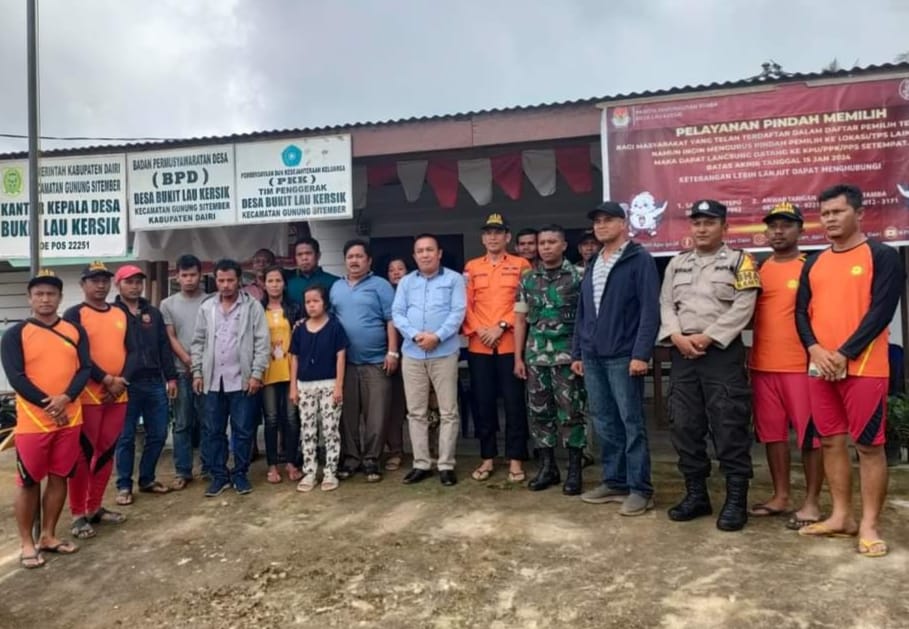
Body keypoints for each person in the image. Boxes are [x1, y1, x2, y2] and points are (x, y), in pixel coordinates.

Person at [795, 184, 904, 558]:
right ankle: (841, 516)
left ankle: (870, 525)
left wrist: (845, 353)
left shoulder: (882, 255)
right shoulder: (814, 262)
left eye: (837, 212)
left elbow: (881, 311)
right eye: (824, 214)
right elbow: (800, 313)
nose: (830, 220)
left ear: (859, 213)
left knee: (869, 447)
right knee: (829, 440)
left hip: (865, 367)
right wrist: (815, 349)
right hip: (820, 366)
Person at [658, 200, 759, 532]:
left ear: (724, 227)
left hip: (721, 353)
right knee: (684, 425)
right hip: (683, 353)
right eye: (697, 223)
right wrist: (675, 335)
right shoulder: (677, 263)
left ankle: (735, 501)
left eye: (709, 223)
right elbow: (666, 303)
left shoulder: (740, 262)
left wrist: (708, 337)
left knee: (729, 425)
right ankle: (696, 495)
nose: (701, 229)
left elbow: (744, 306)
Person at [572, 203, 660, 515]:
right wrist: (578, 352)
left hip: (624, 356)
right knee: (604, 422)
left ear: (623, 224)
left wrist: (641, 354)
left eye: (608, 220)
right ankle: (615, 481)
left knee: (631, 423)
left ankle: (640, 488)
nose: (601, 225)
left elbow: (651, 311)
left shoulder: (639, 259)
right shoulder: (594, 261)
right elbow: (583, 311)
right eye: (597, 221)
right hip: (593, 356)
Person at [1, 270, 91, 568]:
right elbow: (16, 376)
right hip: (33, 422)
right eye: (39, 294)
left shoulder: (75, 330)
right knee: (27, 481)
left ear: (60, 298)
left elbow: (84, 369)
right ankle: (27, 542)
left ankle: (48, 536)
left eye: (51, 294)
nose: (45, 299)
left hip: (70, 416)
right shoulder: (15, 334)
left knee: (60, 476)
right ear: (30, 298)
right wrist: (49, 404)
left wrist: (65, 398)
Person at [747, 202, 824, 529]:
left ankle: (811, 502)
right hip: (763, 366)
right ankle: (780, 496)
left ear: (800, 230)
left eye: (786, 225)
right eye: (773, 226)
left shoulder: (812, 266)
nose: (778, 231)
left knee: (810, 438)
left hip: (801, 367)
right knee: (772, 435)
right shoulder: (758, 269)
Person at [63, 261, 138, 539]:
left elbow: (133, 351)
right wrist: (106, 379)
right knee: (83, 455)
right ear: (83, 284)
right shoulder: (75, 314)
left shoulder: (119, 312)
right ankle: (78, 513)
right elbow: (77, 355)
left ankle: (94, 506)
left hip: (118, 395)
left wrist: (121, 383)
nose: (100, 285)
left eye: (104, 280)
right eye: (94, 280)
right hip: (89, 396)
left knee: (107, 452)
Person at [513, 224, 586, 492]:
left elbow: (587, 318)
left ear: (564, 245)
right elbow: (520, 320)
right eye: (542, 243)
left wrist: (583, 354)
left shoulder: (579, 276)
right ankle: (548, 468)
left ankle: (575, 470)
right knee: (540, 413)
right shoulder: (528, 279)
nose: (545, 247)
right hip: (536, 357)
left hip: (568, 357)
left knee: (572, 414)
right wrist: (518, 358)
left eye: (552, 242)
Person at [392, 234, 467, 486]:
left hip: (444, 353)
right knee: (416, 412)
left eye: (429, 250)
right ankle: (421, 463)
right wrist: (414, 336)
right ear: (414, 256)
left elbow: (458, 312)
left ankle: (446, 464)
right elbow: (397, 313)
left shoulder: (454, 279)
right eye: (420, 251)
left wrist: (437, 336)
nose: (425, 254)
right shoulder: (405, 282)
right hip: (412, 354)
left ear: (439, 253)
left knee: (448, 411)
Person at [191, 258, 269, 497]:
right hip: (213, 380)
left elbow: (261, 341)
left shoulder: (252, 306)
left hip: (242, 379)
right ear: (216, 280)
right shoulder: (207, 307)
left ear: (239, 281)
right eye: (221, 280)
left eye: (230, 280)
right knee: (214, 430)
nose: (225, 285)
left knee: (243, 430)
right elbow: (198, 341)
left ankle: (241, 474)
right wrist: (197, 371)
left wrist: (256, 373)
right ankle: (219, 476)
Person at [463, 213, 531, 482]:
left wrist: (501, 325)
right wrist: (481, 329)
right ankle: (487, 457)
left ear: (507, 237)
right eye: (488, 232)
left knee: (514, 404)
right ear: (483, 238)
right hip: (480, 346)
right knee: (483, 404)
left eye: (498, 232)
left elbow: (523, 304)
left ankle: (515, 459)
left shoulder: (521, 264)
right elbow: (465, 305)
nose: (493, 237)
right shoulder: (471, 267)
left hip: (509, 346)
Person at [330, 239, 399, 482]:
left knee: (376, 415)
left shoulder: (380, 285)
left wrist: (392, 352)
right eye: (350, 256)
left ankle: (371, 460)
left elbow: (391, 319)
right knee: (347, 416)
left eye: (360, 256)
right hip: (345, 363)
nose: (355, 260)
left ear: (369, 260)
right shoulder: (336, 288)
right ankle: (350, 459)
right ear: (345, 260)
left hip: (376, 361)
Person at [113, 265, 178, 505]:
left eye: (138, 282)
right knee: (126, 437)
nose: (134, 286)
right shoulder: (111, 313)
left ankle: (147, 478)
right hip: (125, 384)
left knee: (159, 433)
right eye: (129, 281)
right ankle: (124, 485)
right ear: (118, 284)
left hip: (154, 381)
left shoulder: (152, 312)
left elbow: (163, 346)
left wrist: (170, 377)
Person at [290, 285, 349, 492]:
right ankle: (309, 472)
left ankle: (330, 471)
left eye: (316, 301)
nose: (312, 305)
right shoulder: (299, 329)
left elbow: (341, 356)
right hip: (305, 386)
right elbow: (294, 359)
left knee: (330, 429)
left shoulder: (334, 327)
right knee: (308, 429)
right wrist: (293, 388)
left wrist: (339, 386)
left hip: (329, 384)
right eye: (308, 302)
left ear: (325, 303)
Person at [161, 254, 208, 489]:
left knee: (210, 421)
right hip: (181, 371)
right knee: (182, 423)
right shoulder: (167, 304)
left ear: (201, 275)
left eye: (193, 275)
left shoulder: (210, 300)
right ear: (177, 277)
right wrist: (188, 360)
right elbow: (169, 336)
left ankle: (210, 467)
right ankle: (183, 471)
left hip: (208, 371)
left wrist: (200, 364)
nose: (189, 279)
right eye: (184, 275)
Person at [260, 266, 303, 483]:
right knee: (271, 419)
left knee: (291, 418)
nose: (275, 284)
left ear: (284, 284)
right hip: (267, 370)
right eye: (270, 280)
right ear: (264, 284)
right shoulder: (257, 310)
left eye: (278, 280)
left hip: (290, 369)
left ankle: (291, 462)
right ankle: (272, 466)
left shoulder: (295, 308)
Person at [385, 256, 410, 471]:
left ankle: (431, 452)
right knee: (394, 405)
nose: (396, 273)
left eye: (400, 268)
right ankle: (396, 450)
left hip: (418, 354)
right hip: (392, 357)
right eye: (392, 270)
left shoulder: (415, 291)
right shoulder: (385, 295)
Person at [286, 237, 340, 307]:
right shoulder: (289, 285)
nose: (304, 258)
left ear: (318, 256)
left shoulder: (334, 282)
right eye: (299, 254)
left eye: (308, 253)